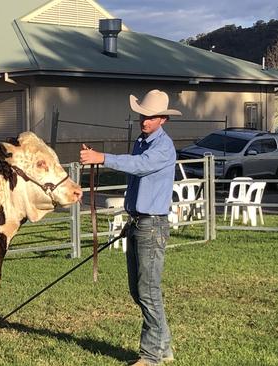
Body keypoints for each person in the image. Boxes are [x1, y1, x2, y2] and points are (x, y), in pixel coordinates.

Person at [79, 89, 180, 366]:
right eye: (142, 115)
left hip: (152, 225)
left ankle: (151, 357)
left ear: (163, 119)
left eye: (150, 117)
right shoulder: (142, 140)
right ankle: (164, 347)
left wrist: (103, 158)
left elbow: (139, 166)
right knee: (140, 291)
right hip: (138, 222)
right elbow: (137, 172)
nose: (144, 121)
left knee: (147, 291)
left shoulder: (162, 147)